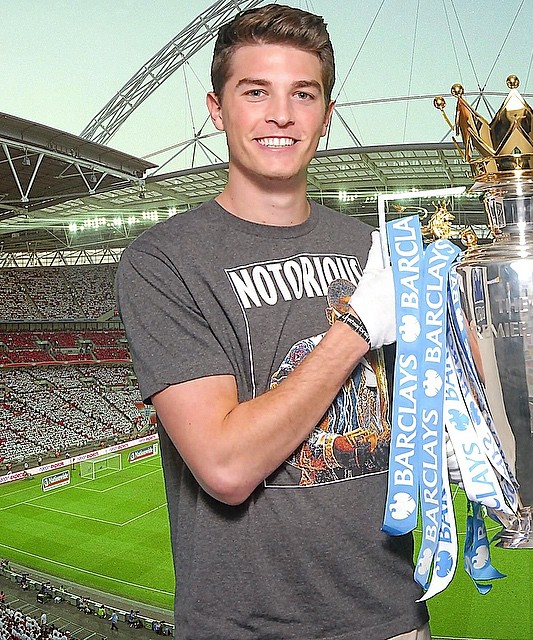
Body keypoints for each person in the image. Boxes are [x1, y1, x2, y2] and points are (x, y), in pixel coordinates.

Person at [116, 4, 429, 640]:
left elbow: (408, 420)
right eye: (255, 91)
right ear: (215, 108)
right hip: (243, 628)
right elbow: (226, 469)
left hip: (392, 619)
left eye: (303, 94)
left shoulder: (378, 250)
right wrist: (356, 331)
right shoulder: (164, 261)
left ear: (327, 114)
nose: (281, 115)